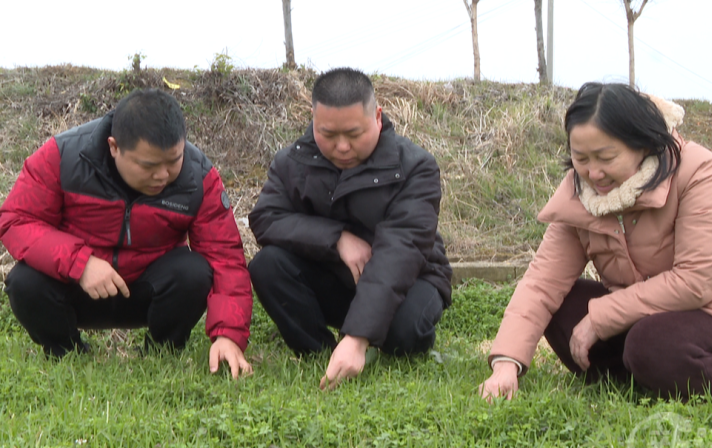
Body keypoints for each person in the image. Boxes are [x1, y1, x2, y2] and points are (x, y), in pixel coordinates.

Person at [480, 82, 712, 404]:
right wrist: (506, 364)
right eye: (581, 158)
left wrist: (601, 317)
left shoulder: (696, 171)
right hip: (649, 320)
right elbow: (541, 283)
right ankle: (647, 379)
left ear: (642, 143)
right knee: (563, 307)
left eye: (606, 157)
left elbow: (697, 281)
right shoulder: (579, 192)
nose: (593, 173)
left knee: (652, 341)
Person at [0, 89, 253, 378]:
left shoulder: (200, 176)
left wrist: (228, 334)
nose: (163, 175)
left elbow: (225, 257)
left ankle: (162, 352)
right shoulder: (62, 156)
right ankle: (65, 352)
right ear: (114, 146)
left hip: (148, 291)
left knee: (193, 272)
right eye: (149, 165)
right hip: (77, 288)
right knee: (25, 281)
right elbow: (16, 220)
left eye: (173, 160)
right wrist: (80, 263)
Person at [248, 67, 452, 390]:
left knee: (404, 337)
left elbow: (401, 252)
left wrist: (358, 337)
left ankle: (360, 336)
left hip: (412, 276)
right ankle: (321, 351)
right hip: (336, 274)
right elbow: (266, 218)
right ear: (313, 119)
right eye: (328, 134)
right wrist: (336, 239)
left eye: (354, 134)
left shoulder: (416, 167)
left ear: (378, 117)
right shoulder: (291, 162)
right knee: (268, 264)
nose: (342, 147)